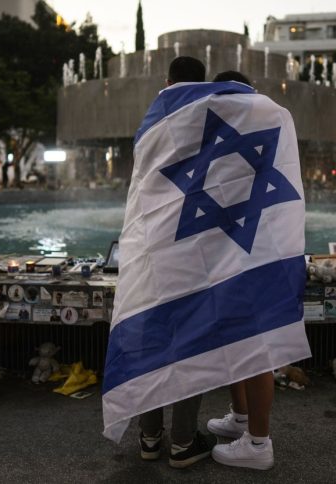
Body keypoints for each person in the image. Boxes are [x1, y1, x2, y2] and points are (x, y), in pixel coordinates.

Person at [136, 57, 217, 470]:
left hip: (151, 247)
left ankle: (150, 437)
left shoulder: (150, 125)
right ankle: (183, 442)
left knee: (152, 342)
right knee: (190, 344)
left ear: (166, 82)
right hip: (192, 248)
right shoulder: (212, 118)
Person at [202, 70, 279, 470]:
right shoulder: (255, 129)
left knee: (254, 345)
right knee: (235, 340)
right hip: (234, 248)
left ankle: (259, 443)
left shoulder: (253, 133)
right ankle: (242, 418)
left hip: (251, 252)